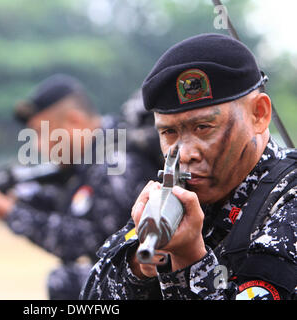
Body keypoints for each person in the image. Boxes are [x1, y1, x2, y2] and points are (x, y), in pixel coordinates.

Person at [80, 33, 296, 300]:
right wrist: (140, 266)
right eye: (169, 132)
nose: (185, 154)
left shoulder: (287, 199)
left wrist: (188, 259)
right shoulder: (177, 196)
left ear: (259, 114)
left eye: (204, 128)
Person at [0, 74, 163, 299]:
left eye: (41, 132)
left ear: (74, 121)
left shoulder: (115, 162)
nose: (37, 145)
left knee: (65, 281)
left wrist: (5, 210)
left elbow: (91, 242)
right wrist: (10, 201)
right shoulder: (91, 159)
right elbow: (68, 207)